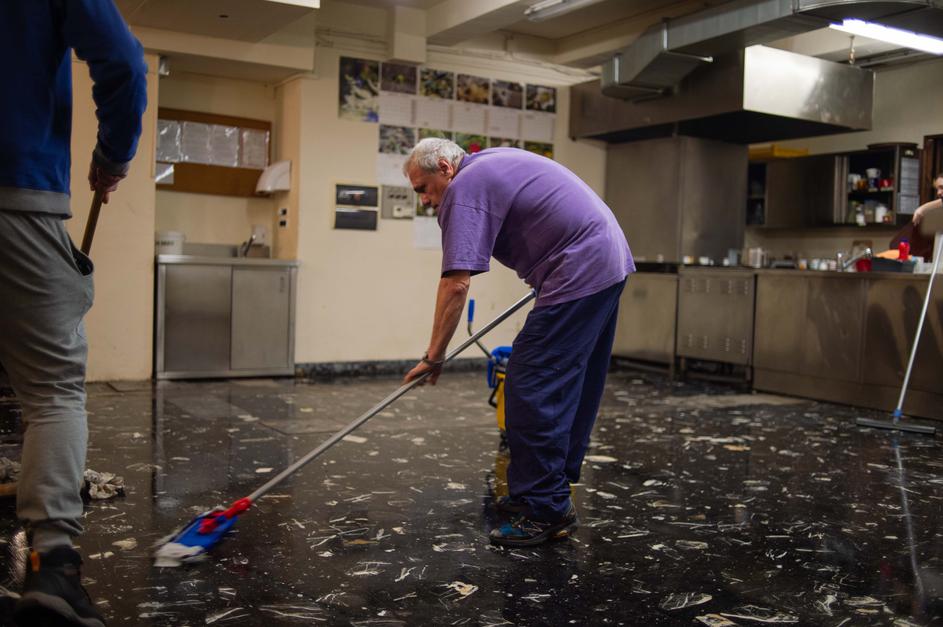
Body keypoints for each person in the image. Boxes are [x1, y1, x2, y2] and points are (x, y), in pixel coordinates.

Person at [402, 139, 634, 547]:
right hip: (606, 258)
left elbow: (456, 284)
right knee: (567, 382)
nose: (423, 199)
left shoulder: (463, 187)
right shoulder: (490, 161)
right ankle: (541, 490)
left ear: (445, 167)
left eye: (423, 187)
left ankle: (547, 508)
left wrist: (434, 356)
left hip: (581, 267)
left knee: (532, 384)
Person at [0, 1, 147, 625]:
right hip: (18, 195)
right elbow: (123, 63)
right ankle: (53, 567)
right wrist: (112, 157)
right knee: (52, 391)